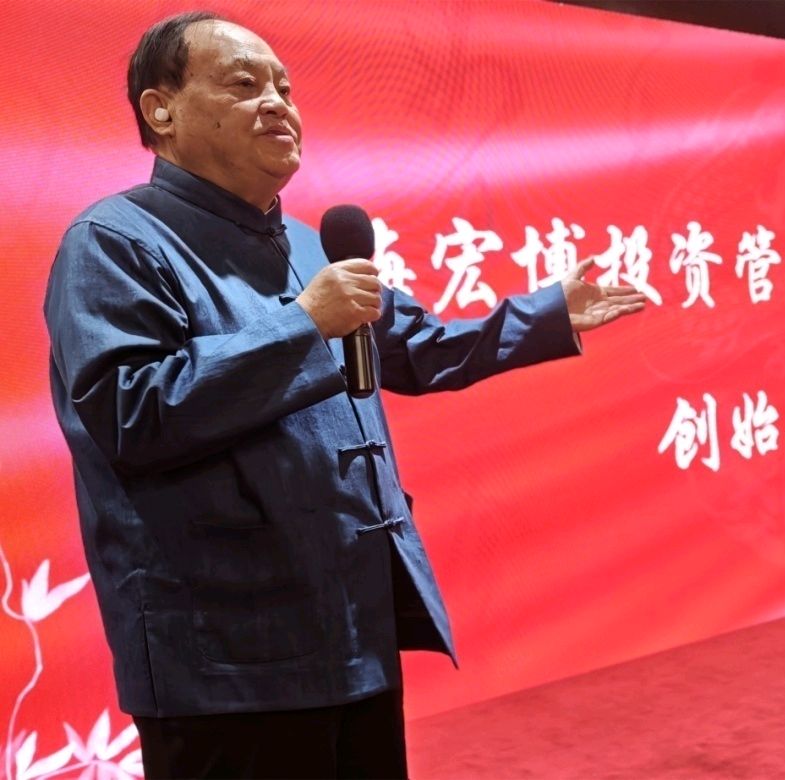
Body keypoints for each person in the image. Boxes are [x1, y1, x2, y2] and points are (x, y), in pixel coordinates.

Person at [43, 11, 646, 778]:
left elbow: (417, 348)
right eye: (243, 83)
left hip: (351, 627)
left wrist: (545, 315)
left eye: (284, 87)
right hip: (226, 657)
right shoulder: (114, 241)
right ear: (160, 110)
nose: (277, 103)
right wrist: (304, 325)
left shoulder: (305, 243)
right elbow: (132, 412)